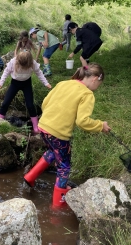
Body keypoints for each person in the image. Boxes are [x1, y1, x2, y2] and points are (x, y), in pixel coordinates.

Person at [24, 63, 111, 207]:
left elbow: (45, 103)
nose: (98, 88)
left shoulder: (64, 83)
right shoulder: (87, 94)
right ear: (95, 79)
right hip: (58, 133)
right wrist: (101, 126)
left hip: (44, 127)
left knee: (52, 151)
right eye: (99, 84)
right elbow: (83, 122)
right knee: (64, 166)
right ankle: (58, 204)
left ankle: (30, 176)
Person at [0, 51, 52, 133]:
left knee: (30, 105)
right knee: (5, 103)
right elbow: (6, 72)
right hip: (15, 83)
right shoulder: (13, 62)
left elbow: (39, 73)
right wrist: (0, 82)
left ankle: (35, 127)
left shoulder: (32, 63)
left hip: (26, 84)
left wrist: (46, 83)